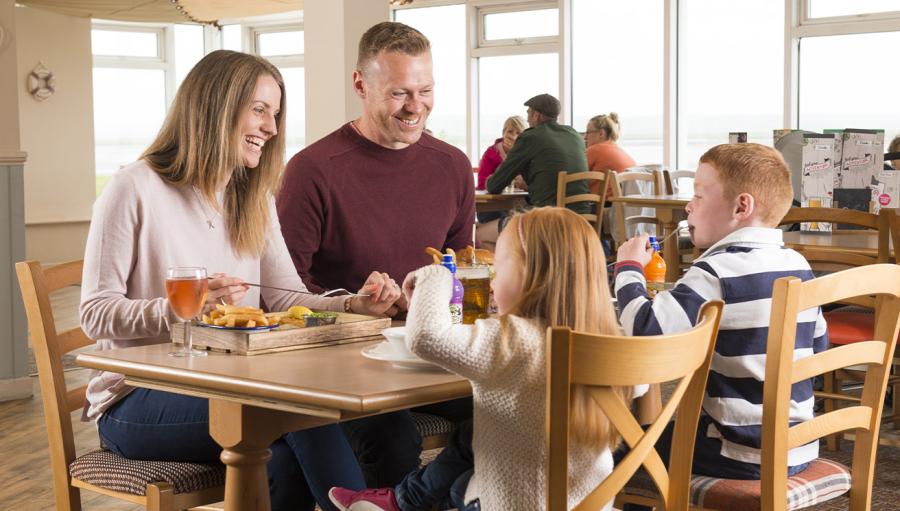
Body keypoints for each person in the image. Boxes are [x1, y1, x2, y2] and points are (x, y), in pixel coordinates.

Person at [79, 50, 402, 511]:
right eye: (259, 109)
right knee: (294, 412)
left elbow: (284, 297)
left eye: (275, 113)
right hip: (135, 400)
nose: (271, 128)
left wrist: (354, 304)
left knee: (284, 451)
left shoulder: (252, 197)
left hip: (228, 385)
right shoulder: (133, 187)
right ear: (214, 106)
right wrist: (185, 308)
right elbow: (94, 314)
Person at [328, 207, 640, 511]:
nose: (491, 283)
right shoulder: (616, 342)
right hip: (592, 503)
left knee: (464, 485)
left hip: (514, 503)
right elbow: (641, 386)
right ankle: (401, 501)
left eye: (499, 269)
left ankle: (395, 503)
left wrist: (435, 275)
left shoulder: (511, 339)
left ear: (531, 276)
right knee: (469, 460)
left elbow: (425, 337)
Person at [276, 22, 475, 488]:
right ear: (360, 84)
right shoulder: (311, 170)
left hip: (430, 352)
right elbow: (284, 292)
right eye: (399, 93)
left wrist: (435, 297)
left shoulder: (452, 165)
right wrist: (355, 305)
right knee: (391, 437)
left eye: (425, 90)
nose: (415, 106)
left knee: (517, 403)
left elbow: (462, 269)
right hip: (345, 361)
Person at [613, 143, 828, 483]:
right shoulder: (798, 265)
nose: (688, 206)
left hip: (737, 450)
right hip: (797, 445)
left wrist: (628, 270)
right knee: (659, 436)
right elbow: (818, 348)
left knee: (617, 454)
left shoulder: (717, 271)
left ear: (741, 206)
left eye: (698, 196)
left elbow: (644, 333)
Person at [477, 93, 590, 250]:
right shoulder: (574, 135)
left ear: (536, 115)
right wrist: (530, 184)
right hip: (582, 217)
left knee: (480, 235)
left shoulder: (531, 137)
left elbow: (494, 185)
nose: (528, 119)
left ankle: (522, 274)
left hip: (547, 219)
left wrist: (489, 180)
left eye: (529, 113)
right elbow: (555, 175)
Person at [476, 115, 526, 224]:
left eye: (518, 133)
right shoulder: (491, 153)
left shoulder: (527, 154)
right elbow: (481, 183)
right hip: (492, 207)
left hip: (518, 204)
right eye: (510, 131)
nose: (513, 136)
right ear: (503, 133)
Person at [585, 112, 636, 195]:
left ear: (601, 133)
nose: (585, 137)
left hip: (604, 204)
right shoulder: (618, 149)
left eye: (588, 132)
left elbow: (574, 175)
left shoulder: (596, 149)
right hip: (622, 203)